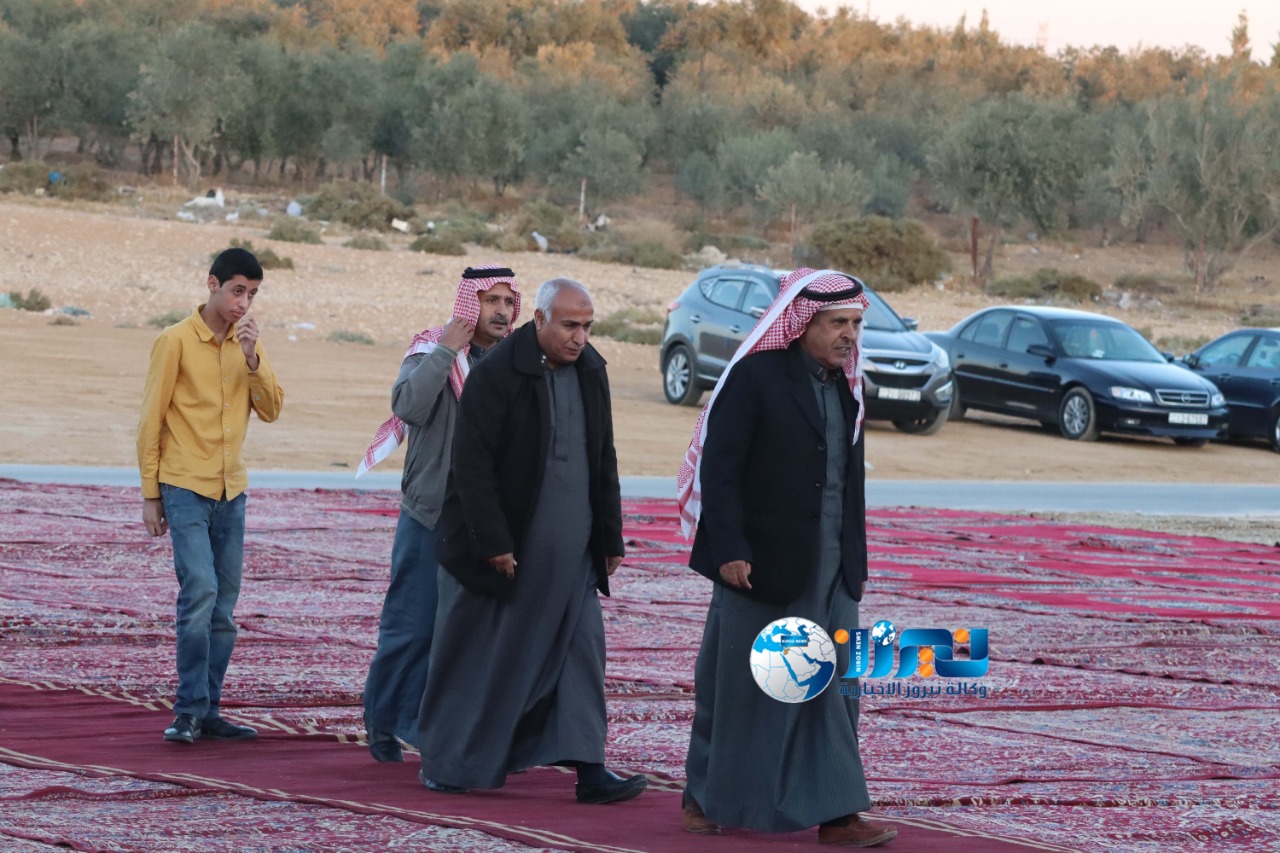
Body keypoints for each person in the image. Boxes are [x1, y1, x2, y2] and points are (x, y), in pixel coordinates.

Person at [676, 268, 897, 847]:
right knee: (739, 685)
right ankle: (704, 794)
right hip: (761, 562)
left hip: (834, 566)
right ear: (801, 324)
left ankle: (838, 814)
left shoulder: (847, 386)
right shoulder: (755, 378)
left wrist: (856, 563)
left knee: (836, 686)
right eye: (837, 323)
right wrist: (730, 548)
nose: (849, 335)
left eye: (856, 324)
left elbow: (848, 482)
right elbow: (720, 469)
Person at [417, 278, 646, 805]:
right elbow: (472, 466)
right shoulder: (498, 373)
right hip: (506, 554)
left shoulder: (591, 370)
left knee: (581, 652)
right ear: (539, 319)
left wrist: (610, 536)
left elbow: (603, 456)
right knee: (481, 659)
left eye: (587, 327)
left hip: (574, 554)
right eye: (570, 326)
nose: (580, 338)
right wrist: (494, 542)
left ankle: (590, 769)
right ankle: (448, 763)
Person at [357, 265, 521, 762]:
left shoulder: (518, 359)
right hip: (430, 511)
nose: (501, 311)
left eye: (507, 302)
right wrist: (448, 350)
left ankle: (443, 729)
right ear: (470, 303)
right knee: (412, 626)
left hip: (489, 520)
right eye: (490, 301)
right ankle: (385, 722)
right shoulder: (431, 348)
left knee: (470, 632)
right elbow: (407, 406)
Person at [137, 247, 285, 745]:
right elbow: (151, 419)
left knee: (223, 607)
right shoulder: (174, 340)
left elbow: (272, 410)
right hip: (183, 486)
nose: (244, 303)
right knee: (199, 591)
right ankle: (187, 710)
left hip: (231, 489)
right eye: (237, 291)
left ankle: (209, 710)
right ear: (212, 284)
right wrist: (150, 493)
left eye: (252, 294)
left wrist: (253, 358)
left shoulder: (247, 345)